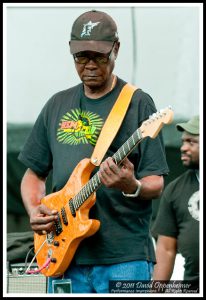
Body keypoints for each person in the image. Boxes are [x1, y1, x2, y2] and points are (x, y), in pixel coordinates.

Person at [18, 9, 169, 293]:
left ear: (116, 49)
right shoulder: (56, 104)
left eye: (99, 56)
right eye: (81, 57)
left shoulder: (137, 103)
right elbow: (33, 173)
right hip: (62, 254)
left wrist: (132, 185)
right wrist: (35, 208)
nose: (89, 65)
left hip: (124, 257)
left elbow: (156, 182)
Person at [152, 115, 199, 292]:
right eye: (183, 142)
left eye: (191, 142)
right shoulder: (174, 190)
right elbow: (165, 249)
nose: (183, 148)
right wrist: (156, 292)